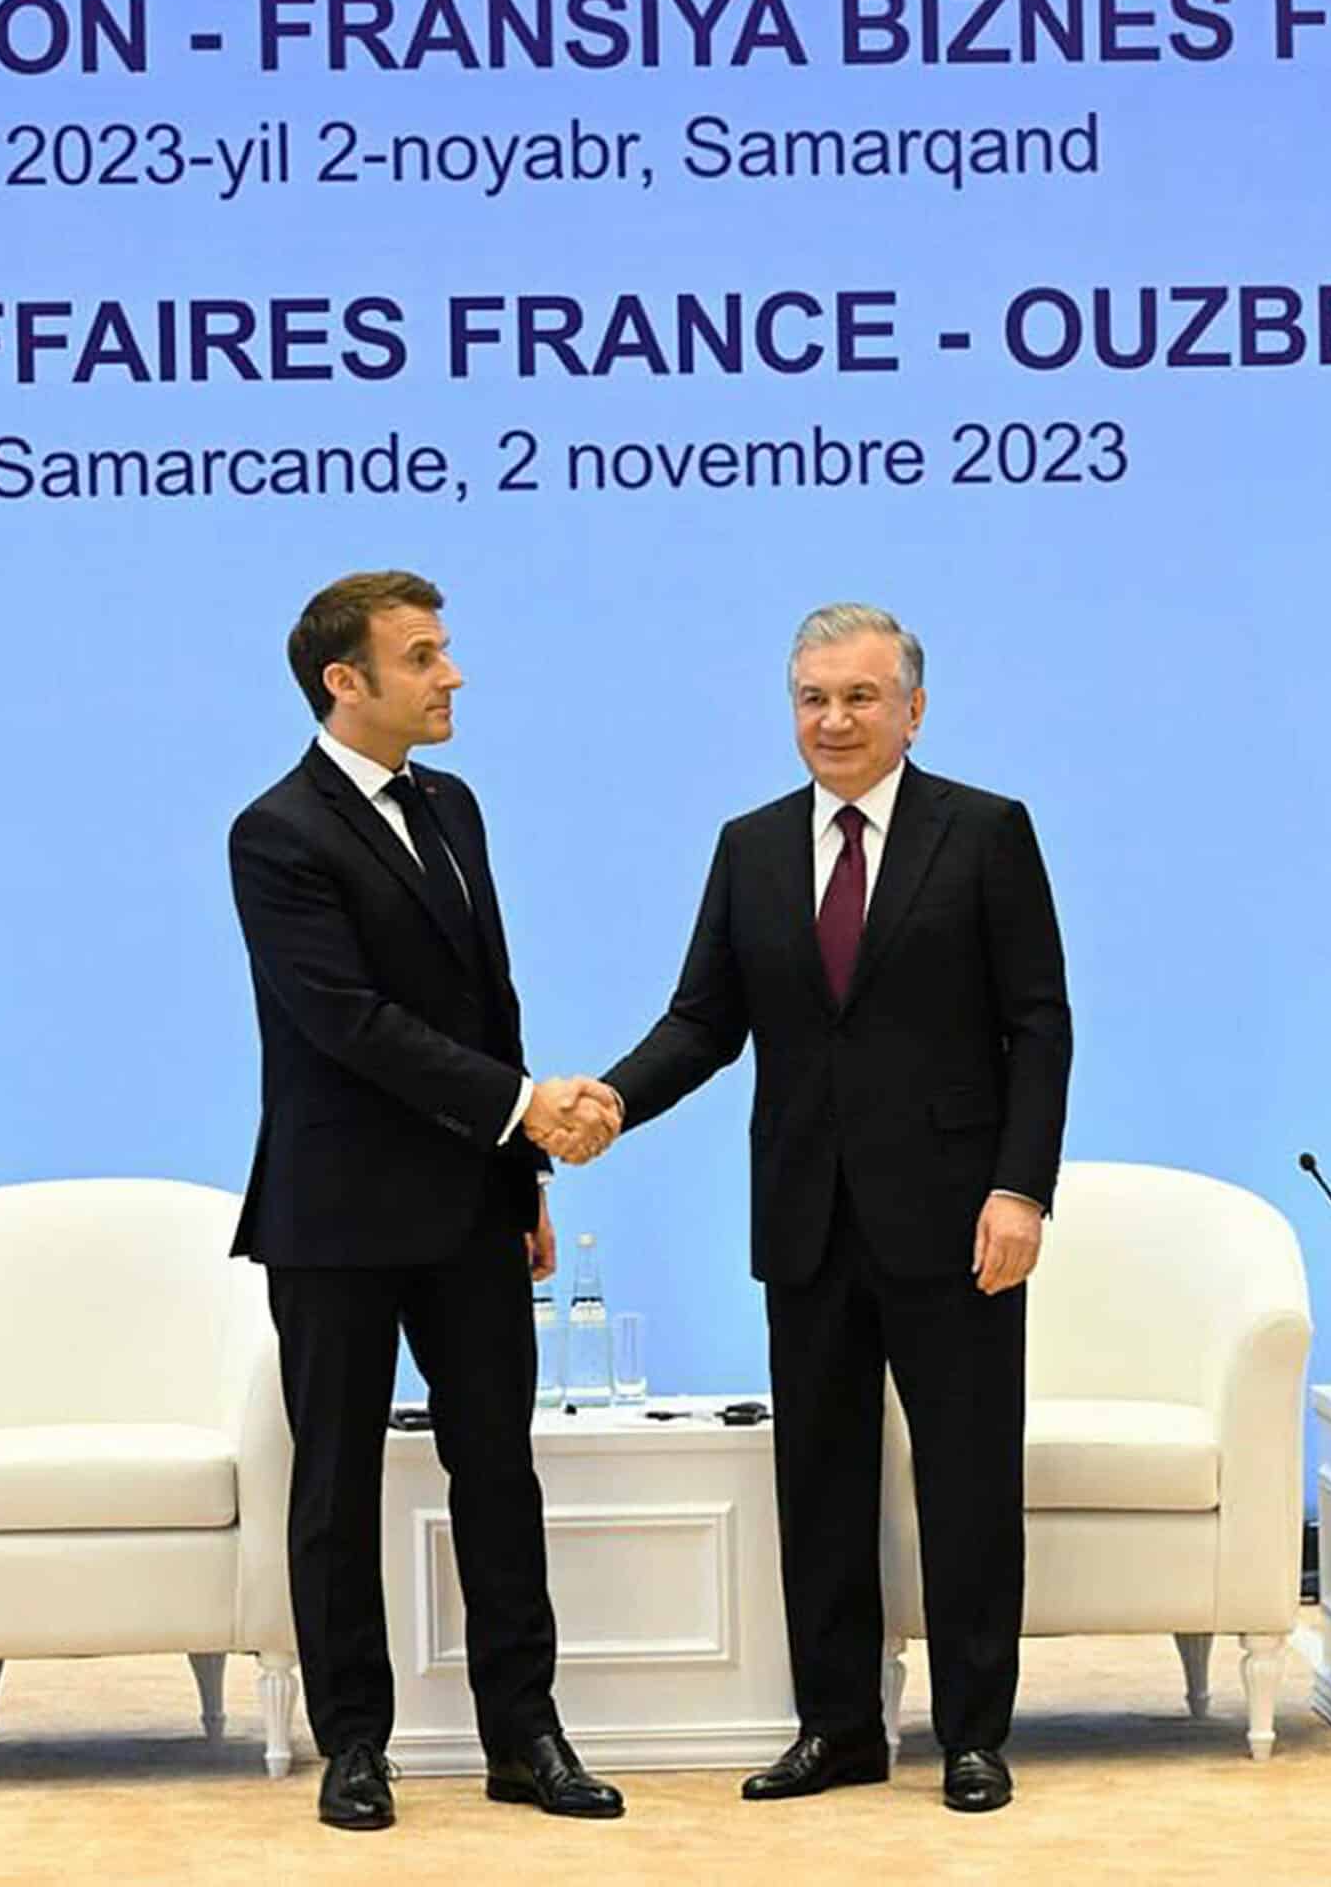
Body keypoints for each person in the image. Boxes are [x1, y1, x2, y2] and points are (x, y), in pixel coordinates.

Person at [594, 603, 1070, 1813]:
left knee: (967, 1481)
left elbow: (1039, 1024)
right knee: (819, 1478)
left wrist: (1021, 1188)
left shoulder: (986, 832)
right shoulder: (750, 846)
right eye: (813, 697)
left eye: (860, 697)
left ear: (913, 707)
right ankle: (839, 1727)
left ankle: (971, 1732)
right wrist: (605, 1101)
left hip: (960, 1221)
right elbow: (704, 1019)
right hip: (807, 1215)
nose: (834, 719)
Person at [226, 569, 625, 1833]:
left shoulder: (455, 805)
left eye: (446, 651)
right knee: (336, 1485)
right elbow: (348, 1023)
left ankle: (528, 1734)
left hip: (466, 1203)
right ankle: (356, 1743)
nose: (451, 675)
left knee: (499, 1471)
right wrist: (524, 1104)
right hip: (336, 1215)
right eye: (422, 656)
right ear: (346, 682)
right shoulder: (275, 830)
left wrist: (525, 1175)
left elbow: (485, 1001)